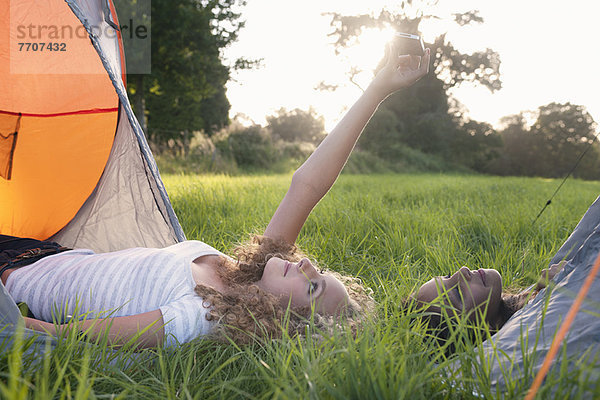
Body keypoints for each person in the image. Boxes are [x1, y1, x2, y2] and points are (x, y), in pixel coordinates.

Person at [1, 44, 431, 349]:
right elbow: (308, 185)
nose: (307, 264)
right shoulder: (242, 275)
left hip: (11, 276)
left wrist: (16, 321)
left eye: (314, 287)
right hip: (45, 252)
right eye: (320, 271)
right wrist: (378, 88)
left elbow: (83, 334)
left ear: (289, 325)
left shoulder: (203, 320)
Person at [409, 260, 567, 350]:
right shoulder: (542, 325)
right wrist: (567, 280)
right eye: (457, 291)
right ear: (476, 332)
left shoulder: (528, 301)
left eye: (449, 276)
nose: (463, 270)